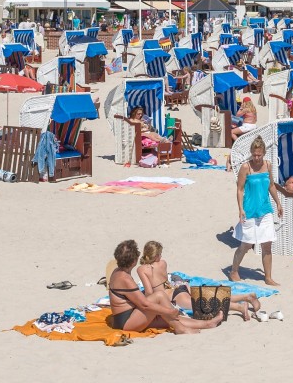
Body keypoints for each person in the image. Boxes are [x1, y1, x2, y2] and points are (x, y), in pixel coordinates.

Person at [107, 240, 220, 335]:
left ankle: (208, 324)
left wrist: (167, 313)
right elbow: (144, 305)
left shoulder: (118, 272)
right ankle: (180, 329)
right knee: (160, 297)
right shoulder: (125, 279)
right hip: (127, 322)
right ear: (134, 261)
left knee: (167, 319)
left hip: (129, 317)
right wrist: (169, 310)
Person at [139, 240, 263, 322]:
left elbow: (149, 293)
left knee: (204, 304)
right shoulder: (163, 263)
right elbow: (165, 281)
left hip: (173, 296)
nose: (161, 256)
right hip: (178, 289)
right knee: (209, 297)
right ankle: (246, 296)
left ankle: (239, 307)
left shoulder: (142, 270)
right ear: (156, 256)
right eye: (160, 254)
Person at [227, 135, 281, 286]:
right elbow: (239, 189)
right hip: (249, 210)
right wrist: (240, 209)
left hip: (265, 210)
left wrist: (278, 203)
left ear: (264, 153)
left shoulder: (268, 165)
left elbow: (271, 185)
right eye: (254, 154)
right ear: (251, 153)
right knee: (246, 244)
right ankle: (234, 271)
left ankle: (268, 277)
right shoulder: (246, 167)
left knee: (267, 245)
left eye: (259, 155)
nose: (257, 158)